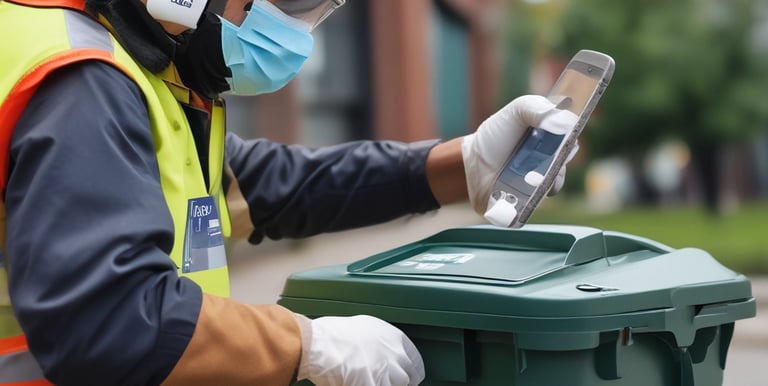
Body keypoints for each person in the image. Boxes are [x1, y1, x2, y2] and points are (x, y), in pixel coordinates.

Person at [0, 0, 567, 385]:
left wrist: (464, 164)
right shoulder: (82, 79)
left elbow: (266, 183)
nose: (299, 29)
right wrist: (307, 346)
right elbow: (113, 321)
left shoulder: (134, 64)